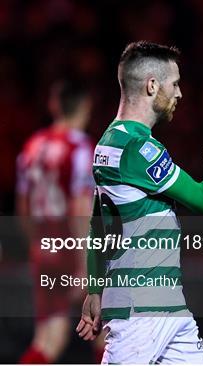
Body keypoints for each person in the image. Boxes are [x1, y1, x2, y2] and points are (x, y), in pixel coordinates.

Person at [75, 41, 203, 364]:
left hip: (170, 310)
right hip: (142, 314)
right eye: (174, 84)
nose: (179, 94)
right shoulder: (138, 149)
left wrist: (94, 289)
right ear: (152, 85)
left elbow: (97, 224)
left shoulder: (109, 142)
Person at [16, 79, 95, 363]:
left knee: (49, 338)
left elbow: (22, 207)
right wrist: (87, 264)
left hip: (44, 249)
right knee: (106, 329)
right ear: (86, 106)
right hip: (73, 249)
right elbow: (80, 207)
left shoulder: (32, 147)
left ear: (54, 105)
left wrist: (37, 246)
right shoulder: (81, 148)